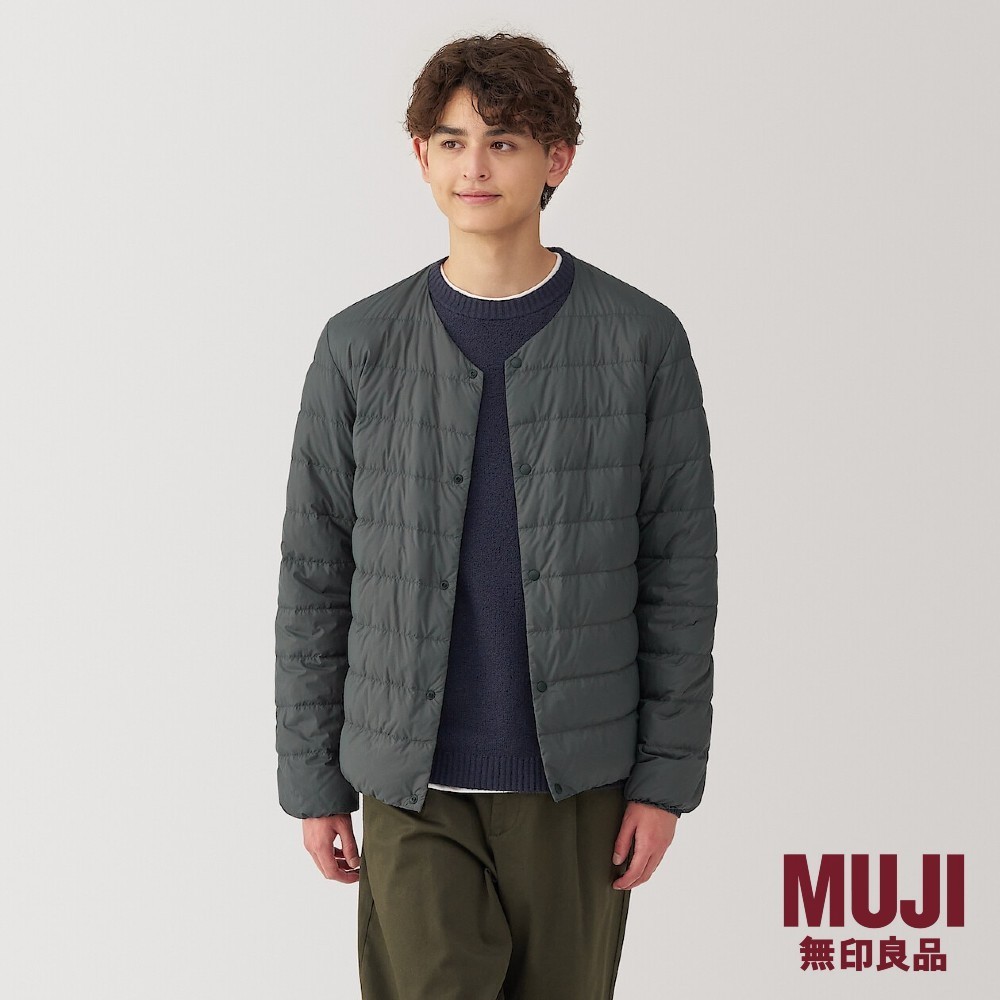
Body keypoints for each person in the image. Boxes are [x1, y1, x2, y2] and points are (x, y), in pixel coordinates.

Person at [275, 31, 718, 1000]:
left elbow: (679, 575)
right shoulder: (358, 345)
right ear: (420, 156)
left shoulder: (641, 340)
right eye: (451, 140)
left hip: (579, 785)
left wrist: (664, 778)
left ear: (557, 160)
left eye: (504, 141)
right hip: (410, 784)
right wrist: (313, 780)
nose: (474, 165)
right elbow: (315, 573)